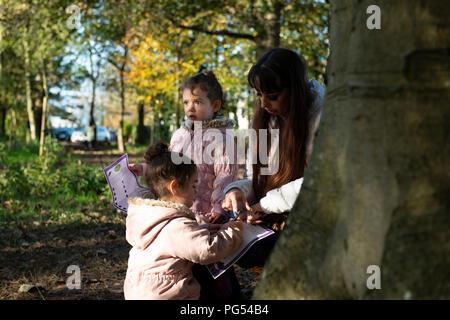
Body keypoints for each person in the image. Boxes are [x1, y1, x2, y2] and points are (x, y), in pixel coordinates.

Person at [128, 71, 241, 299]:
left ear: (215, 105)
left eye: (198, 102)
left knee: (212, 265)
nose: (190, 108)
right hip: (179, 209)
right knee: (185, 261)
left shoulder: (222, 138)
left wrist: (219, 209)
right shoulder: (180, 135)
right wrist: (145, 168)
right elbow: (170, 165)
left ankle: (226, 298)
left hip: (208, 214)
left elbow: (225, 176)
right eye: (186, 102)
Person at [221, 48, 325, 268]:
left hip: (311, 216)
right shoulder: (265, 120)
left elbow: (319, 183)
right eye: (259, 94)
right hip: (272, 215)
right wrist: (238, 191)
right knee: (223, 234)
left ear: (295, 90)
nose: (264, 103)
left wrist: (264, 205)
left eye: (273, 96)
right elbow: (255, 177)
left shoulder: (322, 117)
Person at [124, 142, 243, 300]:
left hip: (138, 291)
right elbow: (207, 250)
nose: (196, 191)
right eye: (194, 185)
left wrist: (203, 230)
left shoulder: (150, 217)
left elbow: (176, 241)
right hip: (168, 295)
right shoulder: (177, 225)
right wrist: (234, 229)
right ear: (175, 187)